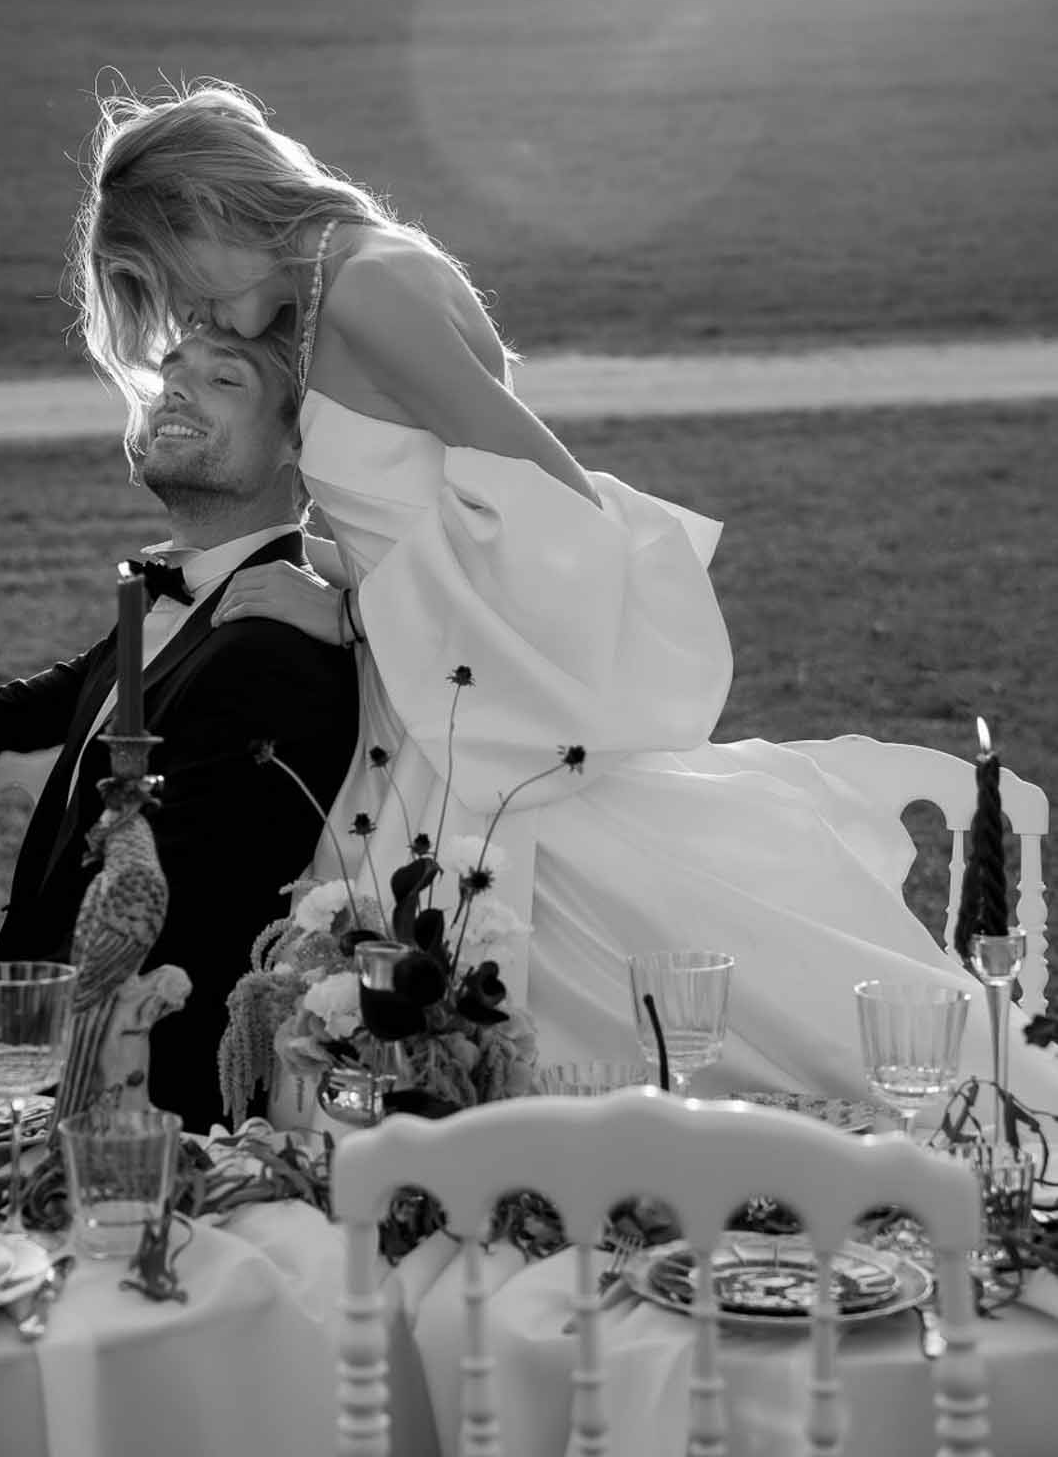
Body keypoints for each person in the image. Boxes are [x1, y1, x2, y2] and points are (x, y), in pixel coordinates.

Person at [71, 76, 1058, 1116]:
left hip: (463, 705)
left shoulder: (367, 286)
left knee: (586, 992)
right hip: (422, 696)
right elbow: (423, 501)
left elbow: (547, 501)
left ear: (210, 208)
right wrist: (322, 564)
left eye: (182, 281)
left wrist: (350, 608)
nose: (195, 317)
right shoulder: (337, 283)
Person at [0, 323, 359, 1135]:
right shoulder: (187, 609)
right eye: (173, 371)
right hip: (18, 1055)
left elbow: (143, 939)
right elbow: (1, 715)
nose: (178, 390)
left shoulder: (269, 647)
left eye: (224, 382)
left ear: (299, 443)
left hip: (113, 1100)